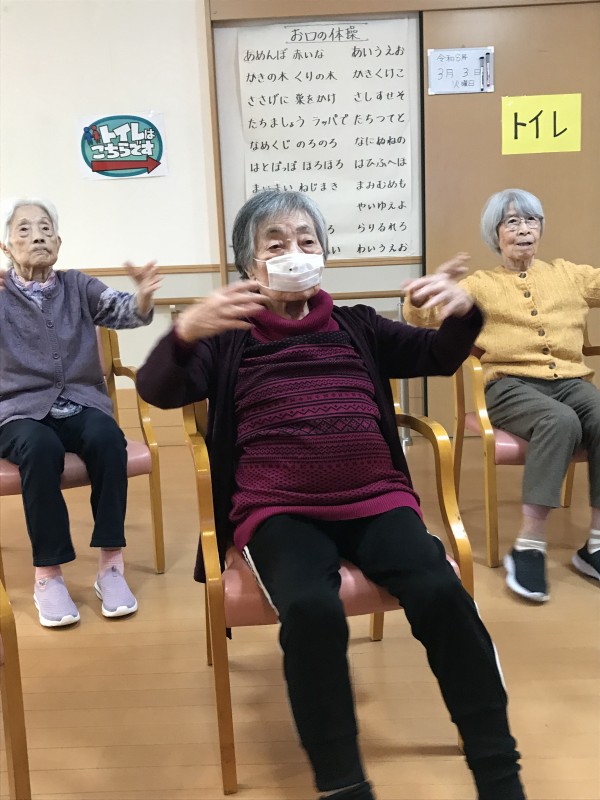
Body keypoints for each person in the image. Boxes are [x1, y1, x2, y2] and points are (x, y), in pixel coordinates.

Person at [137, 189, 526, 800]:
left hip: (377, 499)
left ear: (324, 254)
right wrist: (184, 332)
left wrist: (462, 312)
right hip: (278, 510)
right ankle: (343, 785)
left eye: (307, 240)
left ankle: (498, 773)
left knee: (440, 591)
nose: (294, 252)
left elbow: (439, 355)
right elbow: (159, 390)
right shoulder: (228, 336)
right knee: (312, 611)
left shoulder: (357, 324)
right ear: (249, 265)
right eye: (275, 244)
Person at [403, 188, 600, 604]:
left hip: (571, 381)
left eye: (531, 220)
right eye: (512, 222)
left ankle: (595, 544)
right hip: (508, 386)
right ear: (495, 234)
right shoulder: (480, 284)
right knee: (559, 421)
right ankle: (528, 546)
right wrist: (423, 293)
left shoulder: (569, 274)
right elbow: (421, 316)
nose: (523, 229)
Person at [0, 197, 161, 627]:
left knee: (108, 438)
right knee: (40, 448)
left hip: (80, 403)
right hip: (18, 413)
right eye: (24, 229)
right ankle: (48, 575)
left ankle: (111, 565)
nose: (37, 236)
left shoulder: (78, 286)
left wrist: (143, 297)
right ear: (7, 246)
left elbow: (123, 310)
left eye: (46, 228)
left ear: (58, 242)